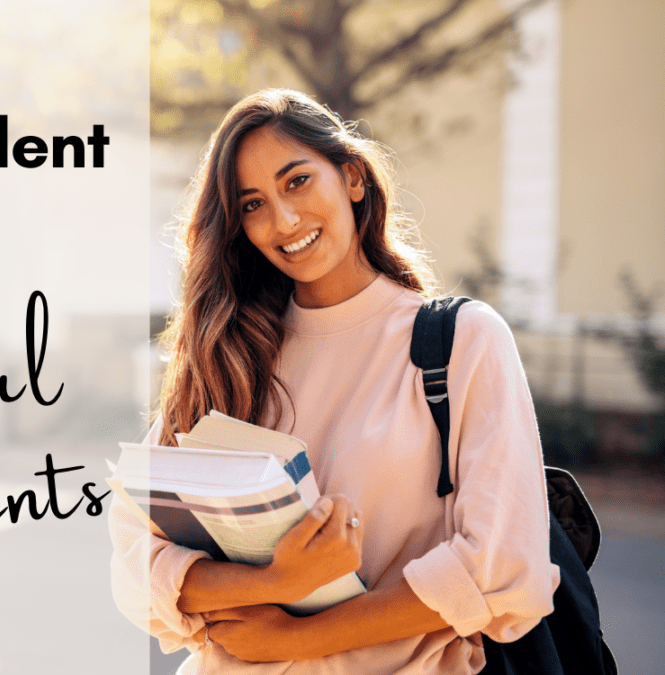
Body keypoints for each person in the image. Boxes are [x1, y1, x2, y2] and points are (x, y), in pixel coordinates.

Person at [108, 89, 560, 674]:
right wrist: (273, 579)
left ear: (351, 177)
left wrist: (296, 639)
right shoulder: (233, 355)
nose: (283, 220)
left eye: (296, 181)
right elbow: (135, 560)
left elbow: (500, 570)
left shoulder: (459, 342)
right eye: (252, 204)